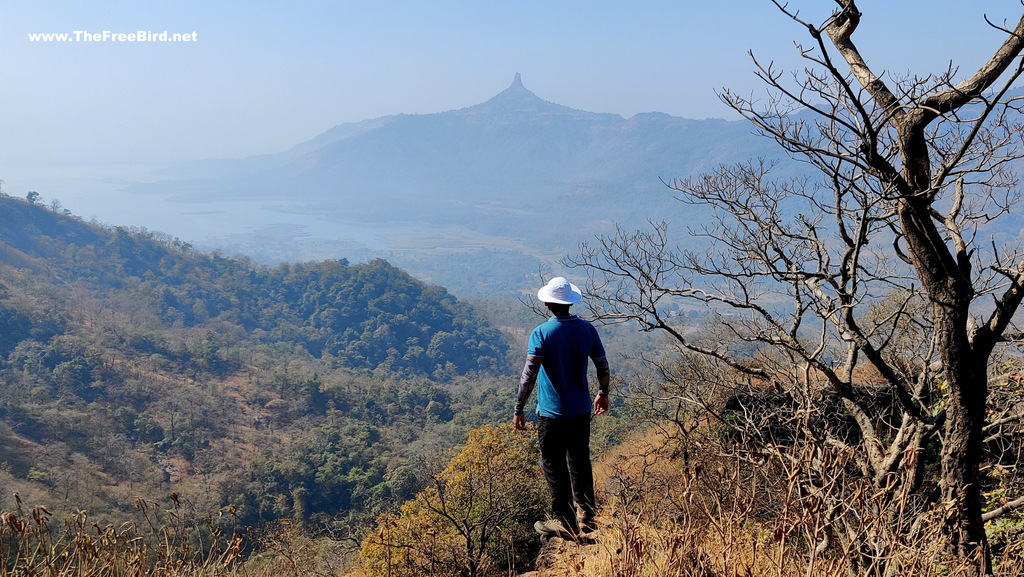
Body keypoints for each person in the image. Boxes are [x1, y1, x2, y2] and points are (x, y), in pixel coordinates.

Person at [513, 276, 611, 539]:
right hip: (580, 410)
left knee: (553, 465)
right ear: (570, 303)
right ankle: (588, 515)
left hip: (551, 414)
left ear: (547, 303)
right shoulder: (587, 330)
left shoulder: (541, 333)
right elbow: (602, 365)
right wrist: (603, 393)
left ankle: (566, 522)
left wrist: (518, 408)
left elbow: (528, 376)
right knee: (579, 460)